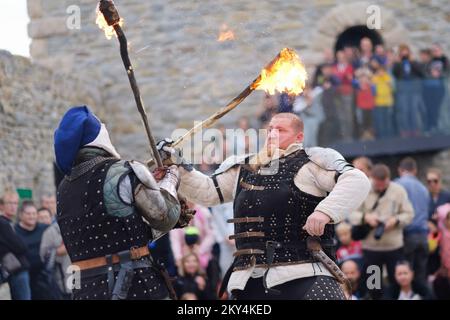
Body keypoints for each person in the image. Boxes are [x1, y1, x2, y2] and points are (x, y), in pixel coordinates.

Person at [159, 112, 370, 300]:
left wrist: (325, 212)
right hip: (248, 279)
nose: (273, 133)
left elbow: (356, 180)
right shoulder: (244, 165)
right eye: (270, 129)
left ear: (299, 137)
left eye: (281, 129)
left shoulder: (312, 160)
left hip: (306, 275)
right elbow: (208, 191)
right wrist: (177, 166)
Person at [53, 106, 187, 300]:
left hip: (85, 291)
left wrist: (150, 183)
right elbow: (165, 217)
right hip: (134, 286)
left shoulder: (63, 189)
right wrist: (171, 177)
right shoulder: (123, 170)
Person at [350, 164, 414, 299]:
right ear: (372, 179)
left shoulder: (398, 190)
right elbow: (350, 214)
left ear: (388, 179)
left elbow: (409, 214)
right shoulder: (363, 189)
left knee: (396, 282)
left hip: (394, 247)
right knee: (374, 285)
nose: (380, 188)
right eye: (377, 185)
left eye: (383, 186)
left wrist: (395, 220)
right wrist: (366, 218)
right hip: (371, 249)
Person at [395, 157, 430, 289]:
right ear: (414, 170)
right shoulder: (423, 188)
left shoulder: (397, 185)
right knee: (421, 276)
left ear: (400, 170)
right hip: (423, 237)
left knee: (404, 276)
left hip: (407, 236)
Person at [14, 201, 52, 299]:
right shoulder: (14, 231)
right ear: (21, 215)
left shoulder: (45, 229)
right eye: (28, 214)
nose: (32, 217)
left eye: (34, 214)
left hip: (45, 274)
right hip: (25, 275)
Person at [0, 190, 31, 300]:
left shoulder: (8, 222)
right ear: (1, 206)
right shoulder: (3, 223)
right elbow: (21, 247)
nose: (14, 206)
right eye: (10, 203)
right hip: (16, 270)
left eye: (15, 203)